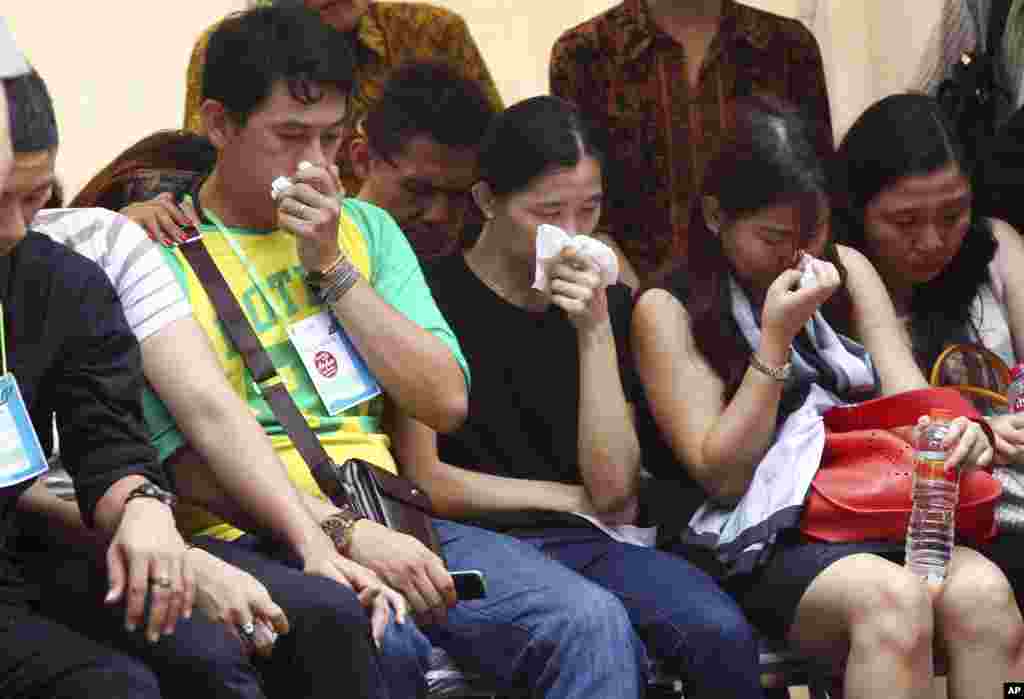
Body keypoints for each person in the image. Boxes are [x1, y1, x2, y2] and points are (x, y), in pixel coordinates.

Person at [120, 5, 647, 698]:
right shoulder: (157, 247)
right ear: (218, 124)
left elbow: (445, 399)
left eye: (332, 139)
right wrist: (341, 535)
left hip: (394, 513)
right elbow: (184, 461)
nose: (313, 164)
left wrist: (333, 268)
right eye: (289, 135)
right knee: (381, 641)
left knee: (591, 622)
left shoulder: (365, 229)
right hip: (250, 530)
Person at [9, 66, 415, 699]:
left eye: (34, 198)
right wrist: (185, 556)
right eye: (290, 134)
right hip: (52, 533)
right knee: (148, 674)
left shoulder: (73, 266)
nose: (15, 226)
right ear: (221, 124)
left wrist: (316, 545)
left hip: (89, 528)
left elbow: (139, 431)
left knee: (328, 613)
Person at [631, 95, 1024, 699]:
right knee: (893, 605)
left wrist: (961, 429)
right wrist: (776, 340)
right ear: (715, 215)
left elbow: (915, 405)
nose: (798, 256)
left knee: (987, 598)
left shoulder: (848, 268)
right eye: (773, 237)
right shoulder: (668, 308)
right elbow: (724, 477)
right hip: (753, 539)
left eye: (811, 232)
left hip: (870, 505)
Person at [403, 94, 767, 698]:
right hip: (470, 541)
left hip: (590, 541)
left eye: (589, 209)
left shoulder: (611, 305)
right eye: (548, 212)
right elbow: (427, 478)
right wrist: (569, 498)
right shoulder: (429, 295)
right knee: (595, 626)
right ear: (488, 201)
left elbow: (615, 490)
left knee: (716, 629)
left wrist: (594, 330)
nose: (571, 234)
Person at [0, 43, 173, 698]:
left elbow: (106, 438)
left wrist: (144, 508)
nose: (16, 226)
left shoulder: (62, 283)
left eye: (35, 195)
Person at [831, 92, 1024, 614]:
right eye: (905, 222)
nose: (934, 240)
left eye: (953, 213)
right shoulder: (840, 282)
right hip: (922, 516)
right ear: (858, 210)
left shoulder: (997, 249)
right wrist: (981, 434)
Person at [550, 0, 833, 286]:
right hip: (626, 298)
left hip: (772, 296)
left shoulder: (788, 48)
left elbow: (819, 197)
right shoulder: (585, 54)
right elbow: (583, 212)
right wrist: (639, 306)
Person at [184, 0, 502, 196]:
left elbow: (497, 157)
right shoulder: (231, 47)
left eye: (330, 137)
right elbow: (197, 164)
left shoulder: (431, 32)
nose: (317, 159)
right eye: (290, 134)